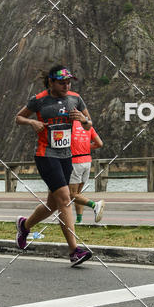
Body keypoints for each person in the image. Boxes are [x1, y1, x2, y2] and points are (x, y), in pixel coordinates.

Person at [14, 65, 93, 266]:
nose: (66, 85)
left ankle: (25, 226)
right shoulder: (39, 99)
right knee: (65, 199)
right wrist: (32, 123)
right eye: (62, 82)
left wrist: (83, 119)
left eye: (68, 82)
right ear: (51, 82)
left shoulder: (75, 98)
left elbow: (88, 125)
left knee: (52, 205)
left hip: (67, 156)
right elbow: (19, 117)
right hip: (46, 155)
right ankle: (75, 251)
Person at [69, 119, 104, 224]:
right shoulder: (87, 125)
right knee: (78, 194)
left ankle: (95, 205)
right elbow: (99, 143)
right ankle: (79, 221)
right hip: (87, 161)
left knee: (72, 194)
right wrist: (85, 146)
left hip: (75, 162)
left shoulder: (68, 125)